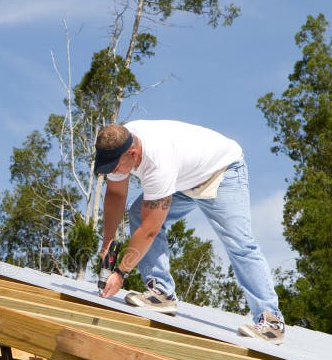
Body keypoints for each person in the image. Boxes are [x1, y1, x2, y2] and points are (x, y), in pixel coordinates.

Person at [94, 120, 285, 345]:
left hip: (221, 173)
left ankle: (271, 321)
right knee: (138, 211)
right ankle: (161, 293)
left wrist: (121, 273)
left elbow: (149, 230)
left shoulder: (158, 162)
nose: (113, 172)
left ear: (133, 154)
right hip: (184, 179)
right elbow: (116, 195)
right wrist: (108, 242)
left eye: (115, 167)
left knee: (240, 244)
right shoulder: (120, 143)